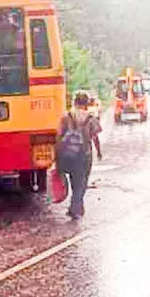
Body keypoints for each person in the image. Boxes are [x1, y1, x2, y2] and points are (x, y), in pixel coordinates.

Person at [56, 91, 103, 219]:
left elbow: (59, 136)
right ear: (86, 103)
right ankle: (76, 207)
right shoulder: (91, 118)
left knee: (74, 179)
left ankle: (76, 206)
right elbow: (95, 137)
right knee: (82, 181)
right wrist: (99, 151)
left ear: (75, 102)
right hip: (85, 154)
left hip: (68, 153)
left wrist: (57, 154)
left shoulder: (67, 116)